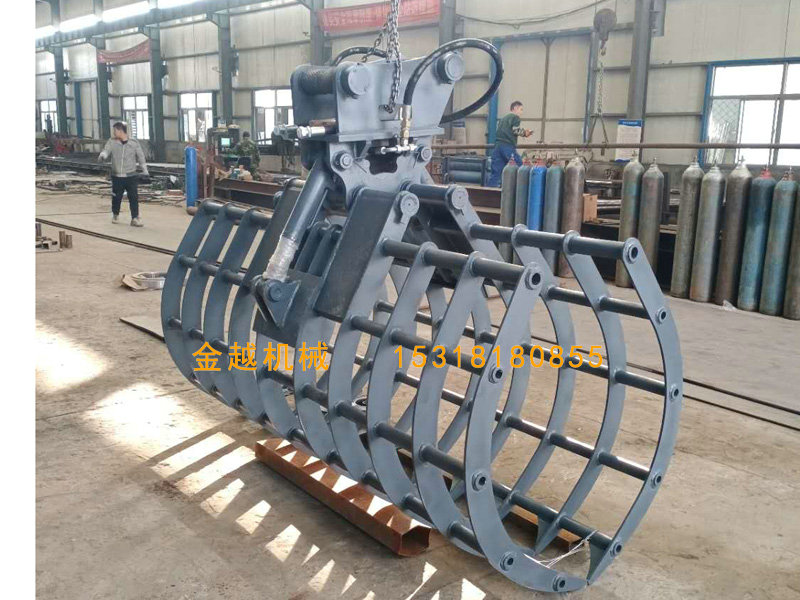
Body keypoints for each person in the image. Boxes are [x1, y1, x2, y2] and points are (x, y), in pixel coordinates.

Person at [98, 121, 149, 226]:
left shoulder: (133, 143)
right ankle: (115, 215)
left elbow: (140, 157)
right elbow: (106, 150)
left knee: (133, 198)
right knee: (116, 197)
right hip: (117, 176)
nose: (114, 133)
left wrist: (145, 170)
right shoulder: (112, 142)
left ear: (121, 130)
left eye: (115, 130)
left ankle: (135, 218)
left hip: (131, 176)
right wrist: (102, 155)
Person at [487, 101, 533, 187]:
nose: (521, 112)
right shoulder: (515, 117)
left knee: (496, 173)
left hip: (497, 147)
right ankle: (525, 188)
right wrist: (525, 133)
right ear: (515, 108)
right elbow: (515, 130)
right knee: (521, 166)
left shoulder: (503, 119)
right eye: (521, 109)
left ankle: (489, 193)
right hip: (507, 146)